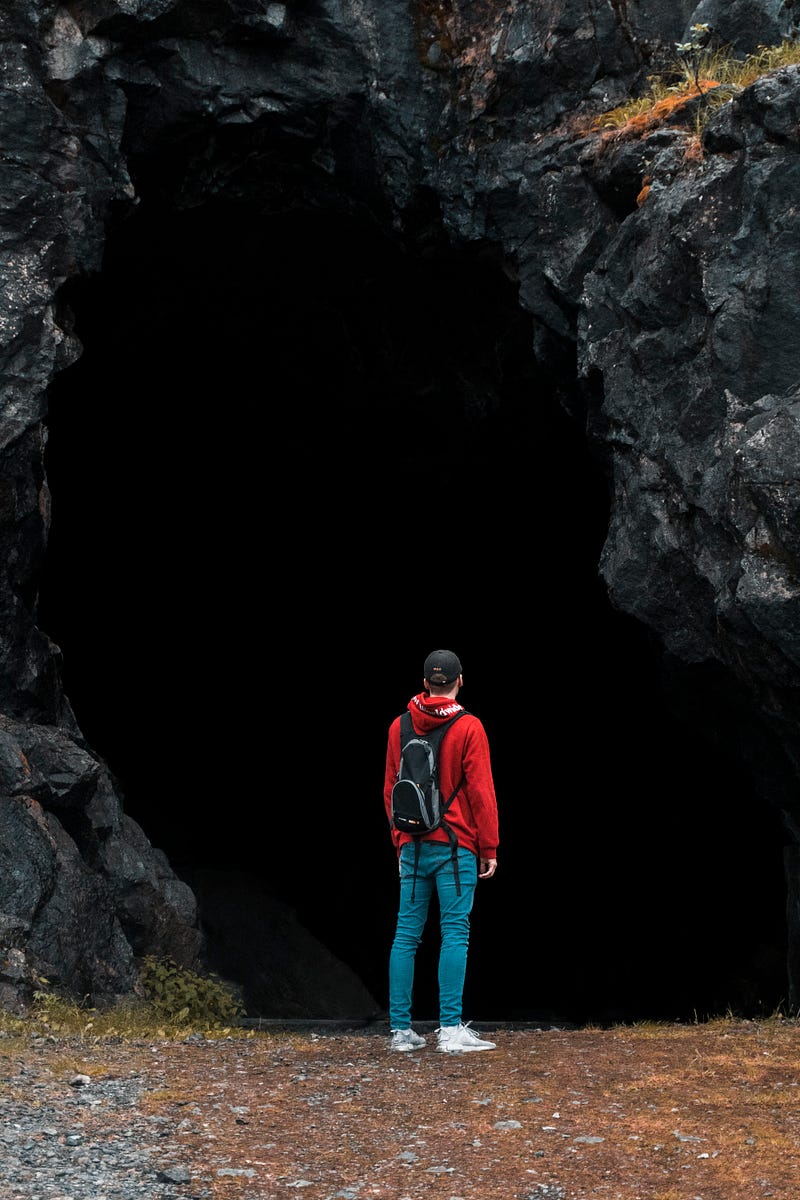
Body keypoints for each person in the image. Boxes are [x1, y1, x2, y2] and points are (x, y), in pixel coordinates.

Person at [383, 648, 499, 1053]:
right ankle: (450, 1030)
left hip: (412, 845)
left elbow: (389, 791)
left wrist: (400, 841)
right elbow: (481, 792)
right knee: (454, 933)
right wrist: (489, 846)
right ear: (460, 680)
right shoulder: (470, 727)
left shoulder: (399, 726)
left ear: (425, 683)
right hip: (456, 848)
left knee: (405, 935)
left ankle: (401, 1032)